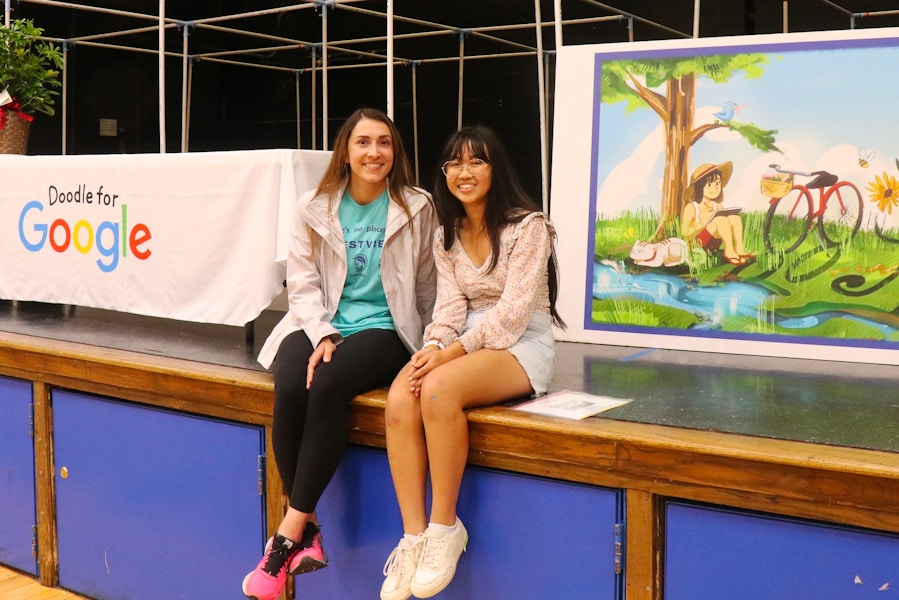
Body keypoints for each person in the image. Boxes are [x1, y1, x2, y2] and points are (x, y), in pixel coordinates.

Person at [242, 108, 438, 600]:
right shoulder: (315, 205)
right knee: (289, 383)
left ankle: (287, 537)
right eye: (364, 143)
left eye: (385, 143)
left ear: (395, 152)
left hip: (387, 327)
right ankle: (306, 531)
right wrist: (323, 333)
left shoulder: (417, 206)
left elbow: (430, 284)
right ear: (345, 152)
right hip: (319, 321)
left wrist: (437, 342)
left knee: (326, 383)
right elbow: (302, 283)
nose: (375, 152)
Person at [379, 126, 563, 600]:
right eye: (455, 164)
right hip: (462, 339)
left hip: (522, 341)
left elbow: (512, 314)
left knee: (438, 390)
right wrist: (432, 346)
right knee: (403, 393)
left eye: (476, 162)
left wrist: (450, 353)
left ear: (495, 168)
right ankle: (414, 536)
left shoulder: (529, 227)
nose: (464, 172)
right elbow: (448, 308)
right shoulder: (447, 233)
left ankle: (445, 528)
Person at [680, 161, 753, 265]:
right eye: (709, 184)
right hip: (697, 245)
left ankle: (739, 249)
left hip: (714, 243)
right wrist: (703, 223)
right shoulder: (692, 207)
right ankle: (729, 251)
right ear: (699, 187)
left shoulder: (717, 206)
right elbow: (685, 233)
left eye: (718, 183)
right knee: (720, 220)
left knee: (734, 218)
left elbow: (724, 228)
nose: (715, 187)